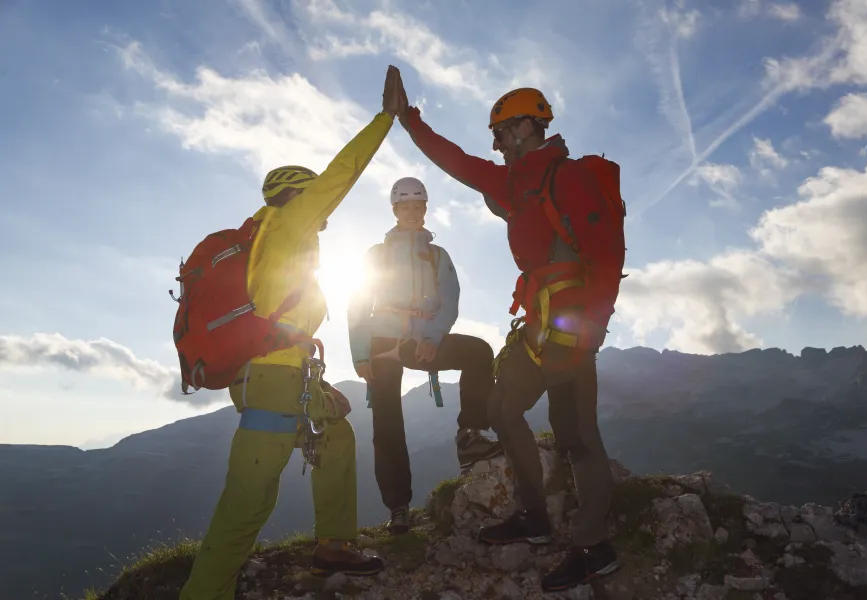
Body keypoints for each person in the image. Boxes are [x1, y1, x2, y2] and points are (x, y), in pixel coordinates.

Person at [383, 67, 627, 592]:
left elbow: (606, 253)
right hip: (538, 326)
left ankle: (592, 546)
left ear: (528, 128)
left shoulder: (570, 176)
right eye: (494, 137)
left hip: (571, 325)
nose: (494, 145)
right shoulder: (514, 182)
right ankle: (536, 518)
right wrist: (409, 120)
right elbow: (458, 163)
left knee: (577, 437)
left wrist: (594, 326)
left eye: (501, 133)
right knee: (500, 407)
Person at [178, 67, 404, 600]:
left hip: (285, 377)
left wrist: (316, 383)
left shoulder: (270, 239)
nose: (322, 217)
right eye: (312, 203)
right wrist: (386, 119)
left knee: (336, 437)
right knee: (247, 504)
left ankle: (333, 546)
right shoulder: (288, 224)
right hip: (272, 384)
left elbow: (283, 325)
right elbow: (341, 173)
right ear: (296, 195)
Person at [347, 175, 503, 535]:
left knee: (479, 351)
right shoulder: (377, 254)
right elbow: (358, 306)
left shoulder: (437, 255)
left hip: (420, 340)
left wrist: (432, 337)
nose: (413, 212)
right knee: (387, 422)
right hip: (382, 342)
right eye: (405, 206)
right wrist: (359, 354)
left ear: (425, 209)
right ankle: (398, 507)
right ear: (395, 210)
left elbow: (449, 300)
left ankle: (471, 434)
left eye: (419, 206)